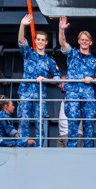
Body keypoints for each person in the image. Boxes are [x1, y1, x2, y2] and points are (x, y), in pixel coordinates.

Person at [58, 16, 96, 148]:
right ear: (79, 41)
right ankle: (72, 149)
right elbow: (62, 43)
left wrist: (93, 80)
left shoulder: (95, 61)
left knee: (89, 123)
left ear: (90, 43)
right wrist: (61, 30)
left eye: (87, 40)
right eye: (82, 40)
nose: (84, 42)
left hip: (88, 95)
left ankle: (88, 149)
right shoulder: (72, 54)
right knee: (72, 121)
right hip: (72, 93)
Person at [17, 14, 59, 144]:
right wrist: (22, 25)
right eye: (38, 39)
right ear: (35, 41)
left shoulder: (50, 61)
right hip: (25, 93)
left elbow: (57, 79)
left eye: (43, 40)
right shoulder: (28, 54)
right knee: (23, 121)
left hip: (40, 96)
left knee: (39, 123)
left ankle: (39, 148)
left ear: (46, 42)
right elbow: (22, 40)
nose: (40, 42)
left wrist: (46, 79)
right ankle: (22, 146)